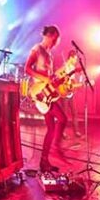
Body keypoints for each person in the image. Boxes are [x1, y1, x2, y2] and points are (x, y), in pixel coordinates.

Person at [25, 25, 67, 172]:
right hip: (40, 93)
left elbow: (50, 78)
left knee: (51, 128)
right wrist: (45, 78)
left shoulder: (50, 54)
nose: (54, 43)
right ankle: (56, 147)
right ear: (48, 35)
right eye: (54, 39)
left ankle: (44, 162)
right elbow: (27, 69)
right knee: (63, 119)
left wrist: (59, 79)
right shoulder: (37, 49)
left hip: (47, 94)